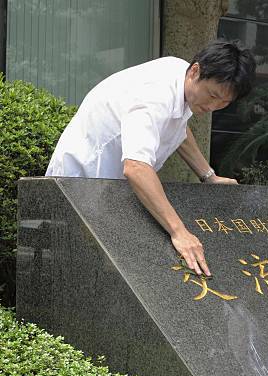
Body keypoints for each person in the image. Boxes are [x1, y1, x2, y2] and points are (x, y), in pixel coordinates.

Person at [46, 40, 256, 276]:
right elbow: (136, 166)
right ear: (195, 71)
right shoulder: (155, 94)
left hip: (108, 188)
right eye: (213, 95)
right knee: (89, 273)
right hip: (79, 183)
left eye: (224, 103)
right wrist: (179, 232)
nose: (213, 107)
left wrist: (208, 176)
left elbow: (177, 127)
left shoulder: (181, 76)